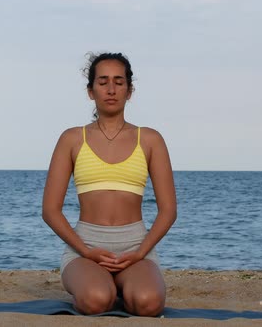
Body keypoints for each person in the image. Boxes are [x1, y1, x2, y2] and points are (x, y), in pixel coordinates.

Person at [42, 52, 177, 317]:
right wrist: (86, 252)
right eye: (103, 82)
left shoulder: (150, 140)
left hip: (135, 248)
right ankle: (102, 285)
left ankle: (126, 285)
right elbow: (50, 210)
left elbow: (168, 210)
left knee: (148, 303)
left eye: (119, 81)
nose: (111, 89)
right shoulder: (72, 139)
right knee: (95, 300)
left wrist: (140, 253)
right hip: (85, 247)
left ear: (130, 90)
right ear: (91, 91)